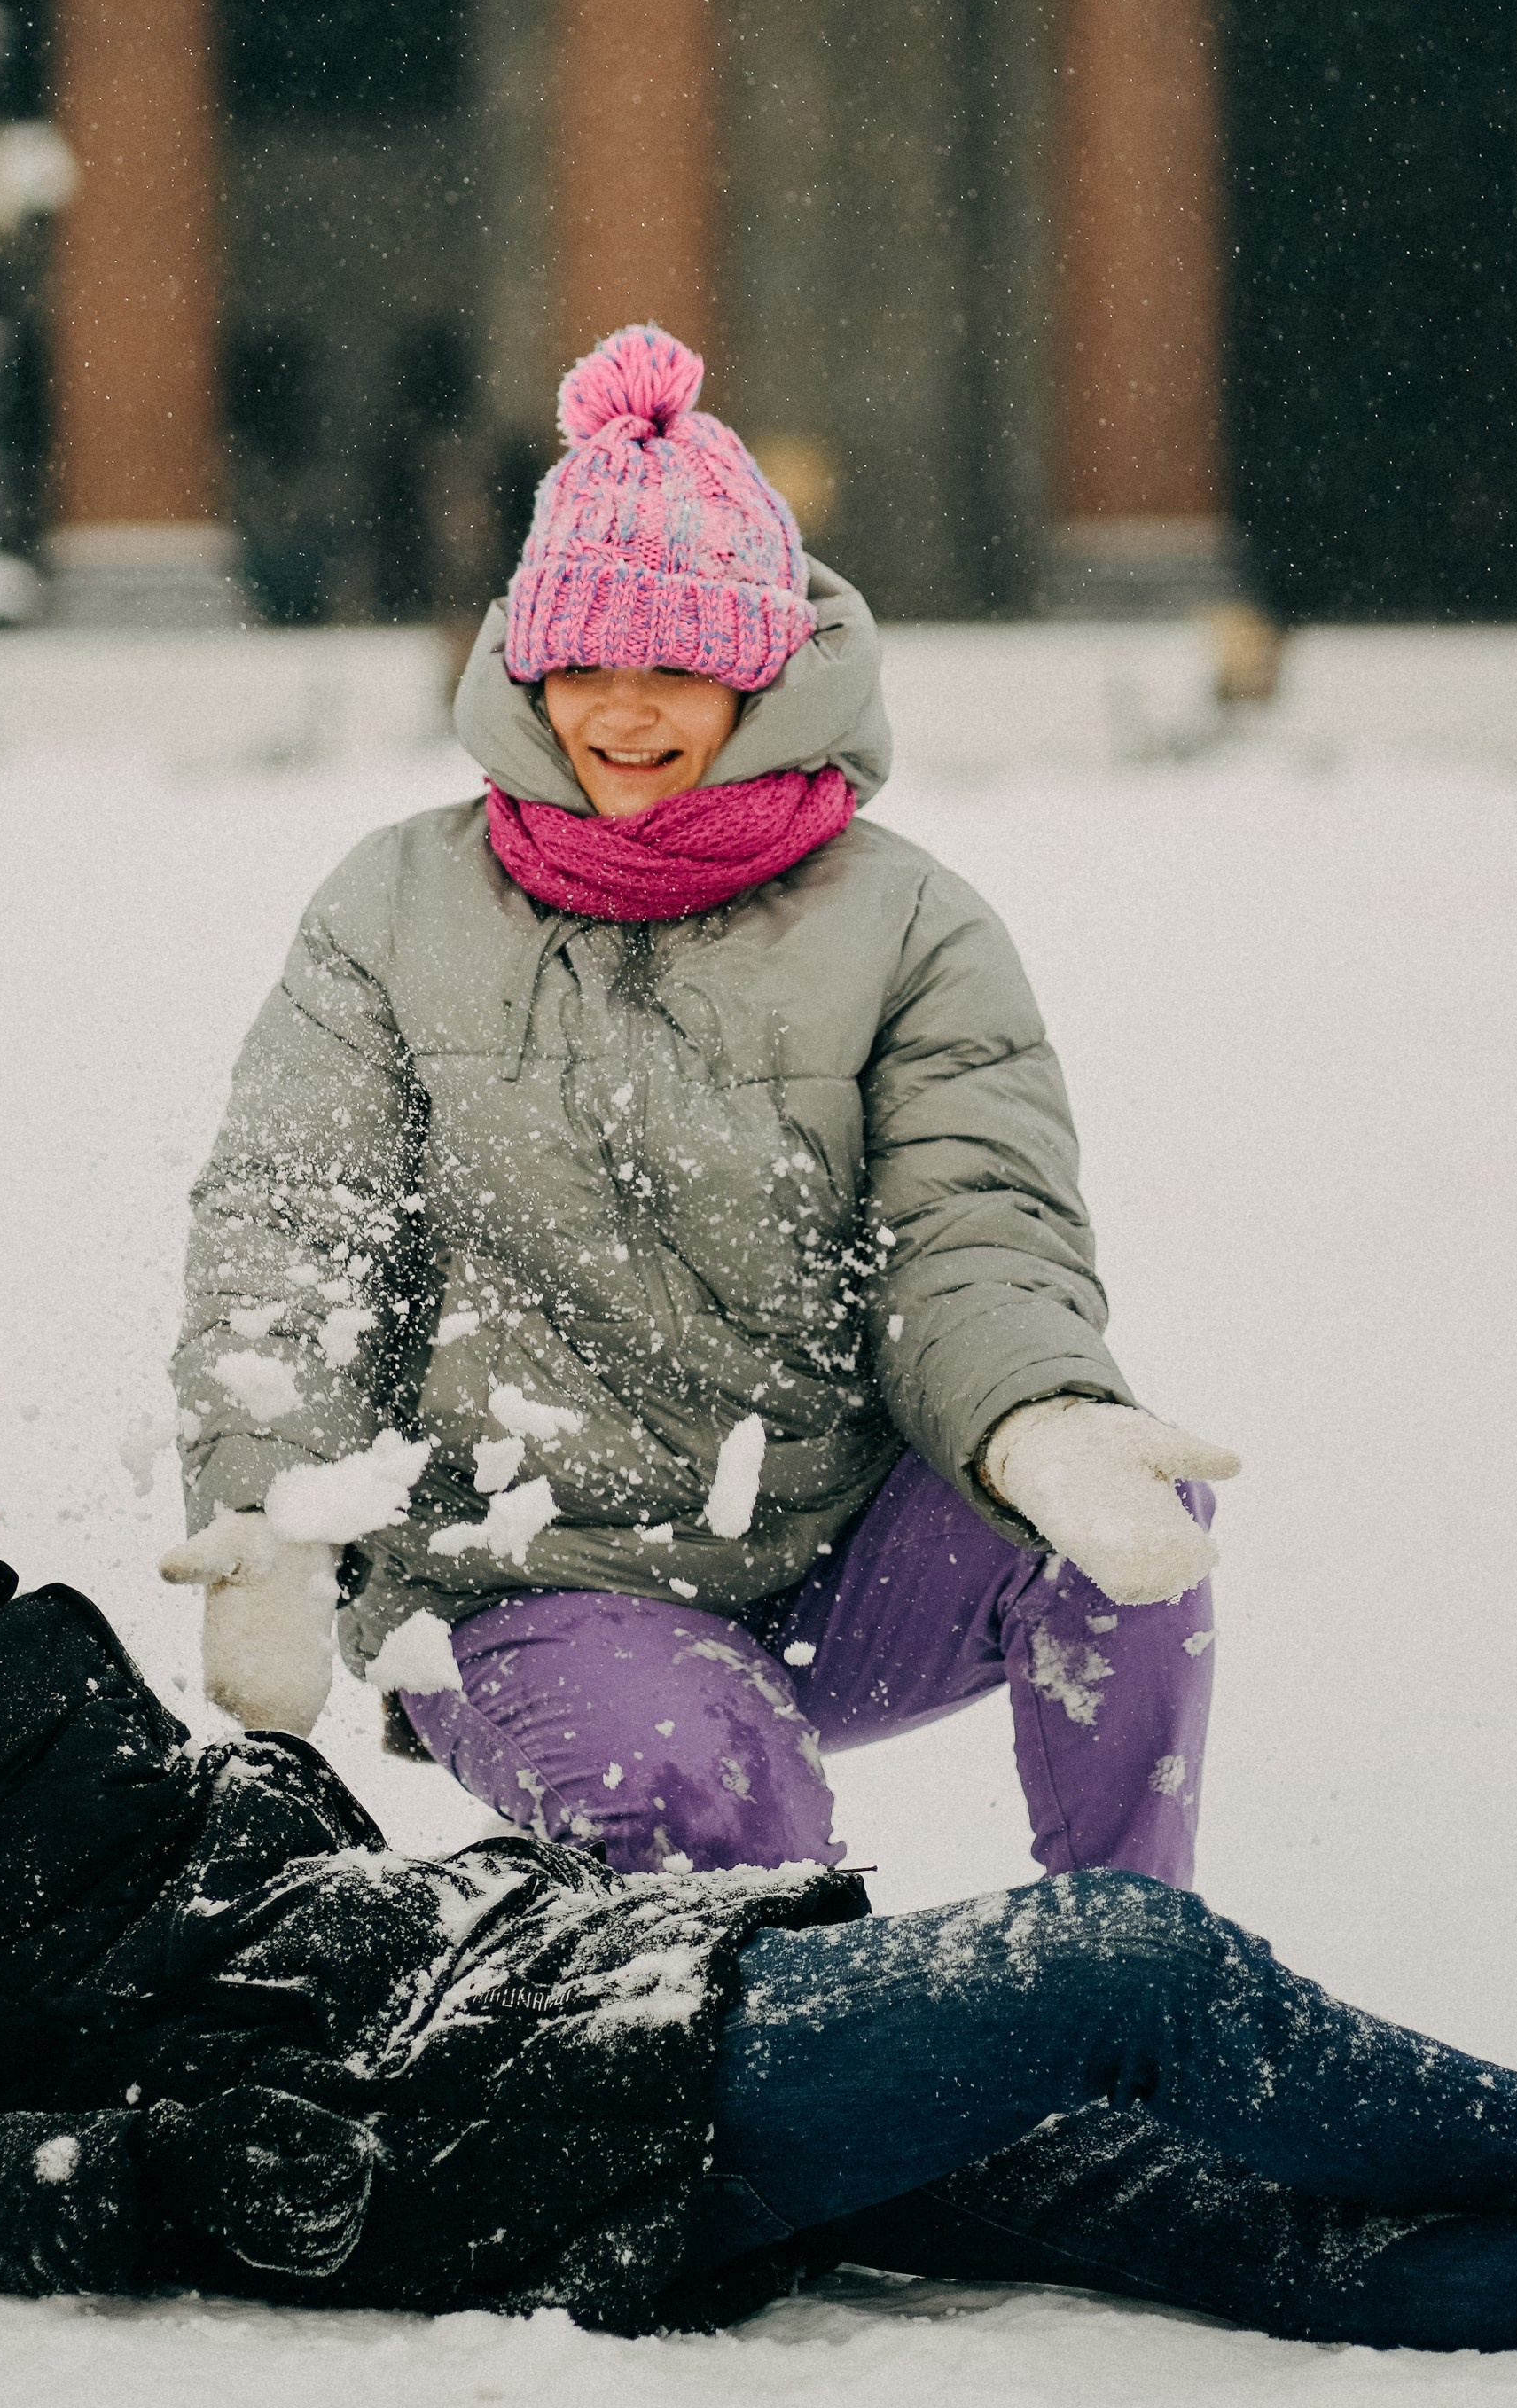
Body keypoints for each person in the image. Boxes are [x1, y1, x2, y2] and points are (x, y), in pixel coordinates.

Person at [0, 1226, 1517, 2363]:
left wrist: (262, 1765)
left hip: (533, 1998)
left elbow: (145, 1922)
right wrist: (183, 2170)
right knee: (1129, 1965)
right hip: (473, 2114)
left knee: (1165, 2194)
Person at [174, 321, 1234, 1886]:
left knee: (1138, 1519)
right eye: (583, 663)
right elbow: (294, 1231)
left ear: (758, 670)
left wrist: (1032, 1421)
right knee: (709, 1816)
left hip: (833, 1552)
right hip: (525, 1574)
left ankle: (1127, 1982)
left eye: (675, 664)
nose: (622, 710)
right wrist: (269, 1505)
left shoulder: (910, 924)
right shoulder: (393, 907)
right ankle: (777, 2090)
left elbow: (973, 1226)